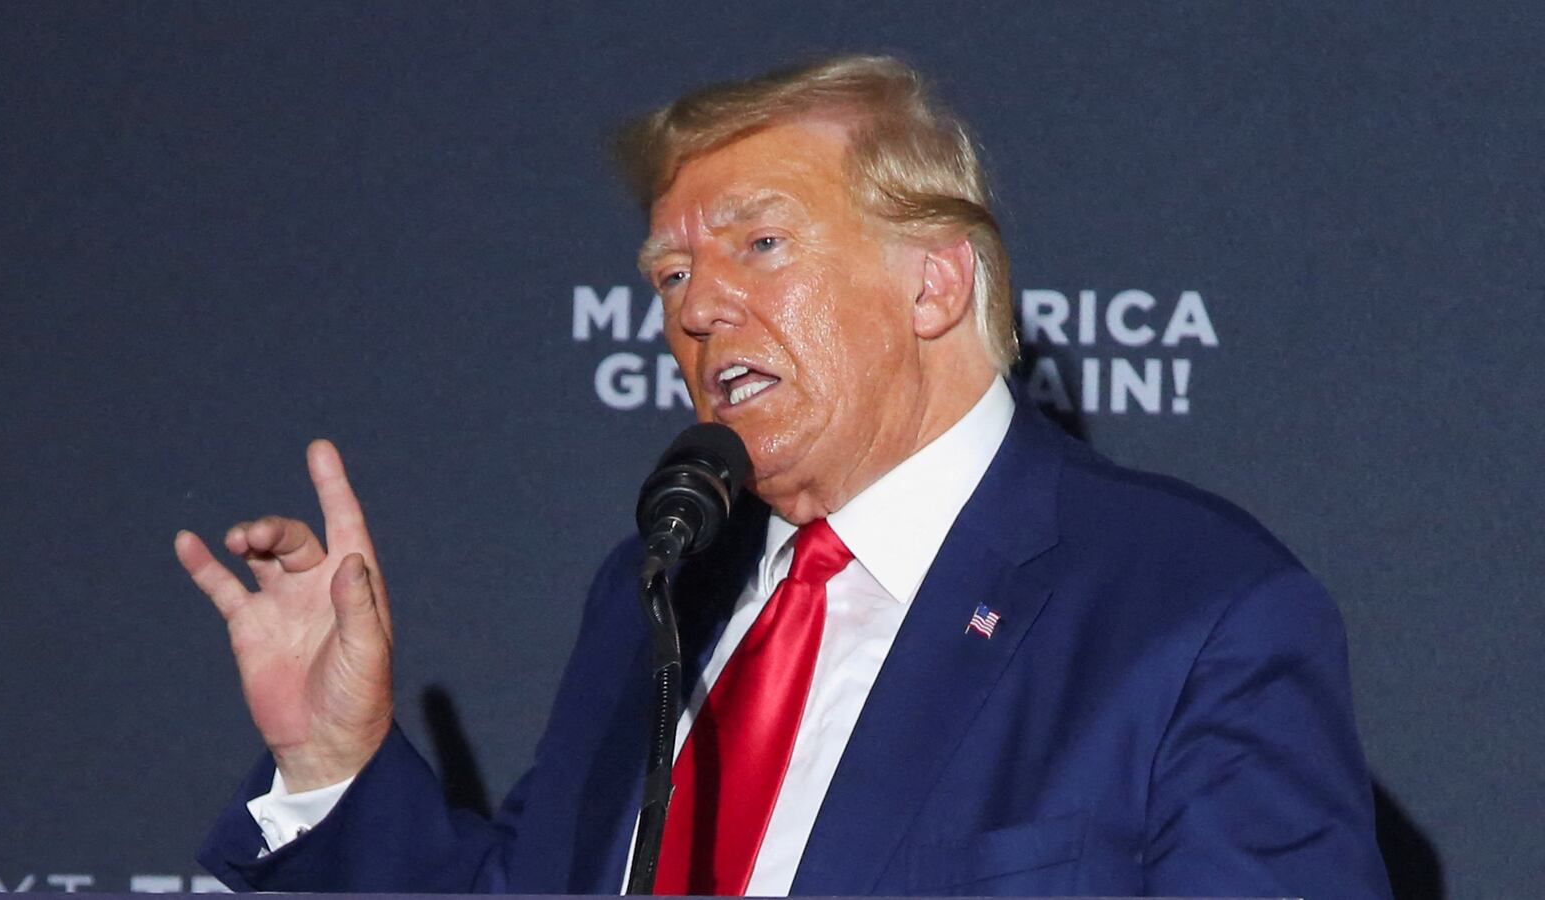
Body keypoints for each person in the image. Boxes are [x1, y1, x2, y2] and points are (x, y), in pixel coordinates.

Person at [180, 55, 1392, 897]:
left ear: (934, 282)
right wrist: (333, 761)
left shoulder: (1191, 610)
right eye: (669, 275)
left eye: (760, 244)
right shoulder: (657, 591)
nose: (698, 307)